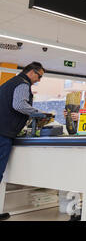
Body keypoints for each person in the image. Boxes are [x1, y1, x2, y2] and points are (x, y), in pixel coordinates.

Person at [0, 62, 46, 221]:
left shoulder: (9, 83)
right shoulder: (22, 84)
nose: (39, 80)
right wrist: (40, 113)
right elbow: (19, 104)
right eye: (39, 76)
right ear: (32, 72)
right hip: (3, 134)